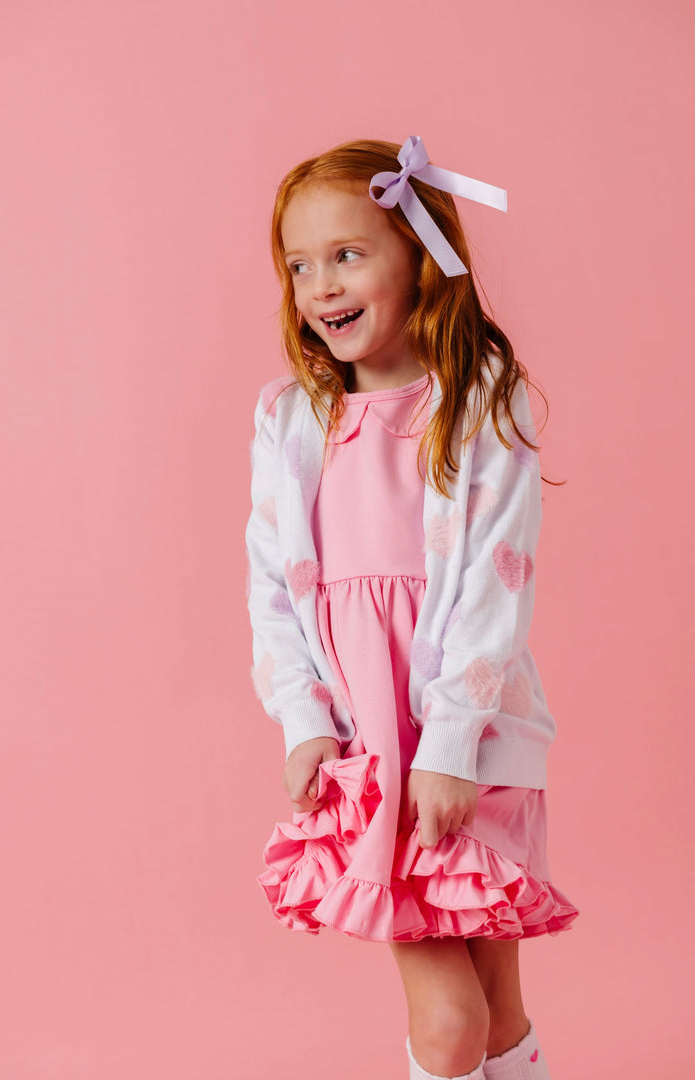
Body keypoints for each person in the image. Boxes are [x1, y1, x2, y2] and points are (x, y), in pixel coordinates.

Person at [245, 135, 579, 1080]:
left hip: (469, 743)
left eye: (347, 255)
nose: (320, 285)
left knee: (498, 1015)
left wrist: (449, 745)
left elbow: (495, 586)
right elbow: (268, 584)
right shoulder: (289, 421)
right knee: (449, 1023)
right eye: (300, 265)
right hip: (368, 754)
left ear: (421, 259)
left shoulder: (480, 403)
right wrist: (303, 721)